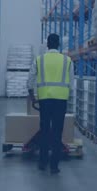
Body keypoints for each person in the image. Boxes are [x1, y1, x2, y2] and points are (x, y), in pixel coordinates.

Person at [28, 34, 74, 174]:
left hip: (45, 100)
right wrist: (69, 99)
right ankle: (54, 165)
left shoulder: (39, 60)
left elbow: (30, 80)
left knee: (45, 129)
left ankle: (42, 162)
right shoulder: (67, 61)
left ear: (47, 45)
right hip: (61, 100)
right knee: (57, 131)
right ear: (59, 44)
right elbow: (71, 84)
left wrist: (32, 97)